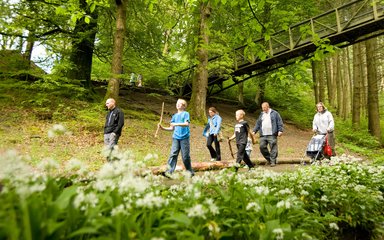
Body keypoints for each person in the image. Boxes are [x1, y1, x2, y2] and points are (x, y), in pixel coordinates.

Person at [158, 99, 194, 177]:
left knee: (185, 156)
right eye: (177, 103)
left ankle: (190, 172)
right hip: (176, 137)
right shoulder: (174, 116)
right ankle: (169, 172)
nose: (177, 104)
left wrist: (176, 124)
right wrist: (162, 128)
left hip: (184, 137)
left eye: (180, 103)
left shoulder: (186, 114)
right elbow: (172, 128)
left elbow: (186, 124)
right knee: (173, 154)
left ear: (184, 106)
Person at [252, 102, 283, 167]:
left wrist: (280, 130)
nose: (263, 109)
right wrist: (254, 131)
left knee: (273, 148)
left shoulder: (275, 113)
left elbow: (279, 122)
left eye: (264, 108)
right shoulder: (262, 114)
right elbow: (258, 123)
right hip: (263, 134)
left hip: (272, 133)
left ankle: (273, 162)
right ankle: (270, 159)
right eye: (262, 108)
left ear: (268, 107)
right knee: (262, 147)